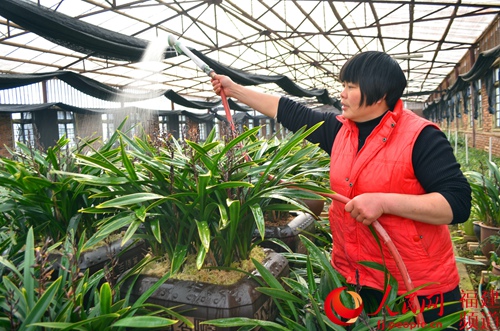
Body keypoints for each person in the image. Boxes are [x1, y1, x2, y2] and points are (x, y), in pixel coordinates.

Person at [211, 51, 471, 329]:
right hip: (353, 276)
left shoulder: (421, 137)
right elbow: (288, 110)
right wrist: (234, 89)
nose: (342, 94)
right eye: (343, 85)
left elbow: (457, 204)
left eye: (350, 87)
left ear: (380, 93)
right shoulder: (341, 132)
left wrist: (383, 202)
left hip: (417, 285)